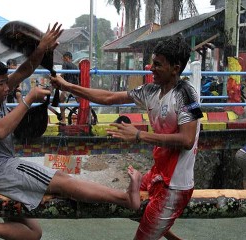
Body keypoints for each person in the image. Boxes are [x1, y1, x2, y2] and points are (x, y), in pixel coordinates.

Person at [0, 23, 142, 240]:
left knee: (34, 233)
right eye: (2, 84)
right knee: (62, 181)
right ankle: (124, 198)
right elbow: (0, 130)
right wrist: (29, 99)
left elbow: (25, 69)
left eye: (6, 82)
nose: (7, 88)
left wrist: (41, 48)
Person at [51, 35, 203, 240]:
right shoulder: (151, 91)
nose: (151, 68)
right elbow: (108, 97)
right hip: (157, 174)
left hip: (174, 186)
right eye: (152, 62)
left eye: (158, 65)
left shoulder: (186, 94)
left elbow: (186, 140)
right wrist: (68, 87)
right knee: (129, 201)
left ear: (175, 68)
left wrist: (139, 135)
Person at [58, 51, 79, 124]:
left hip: (67, 87)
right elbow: (78, 77)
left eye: (64, 58)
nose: (63, 59)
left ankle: (63, 120)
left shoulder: (65, 64)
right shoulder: (75, 66)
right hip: (75, 87)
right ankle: (86, 118)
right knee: (80, 103)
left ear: (67, 57)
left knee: (61, 101)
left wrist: (57, 78)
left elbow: (62, 74)